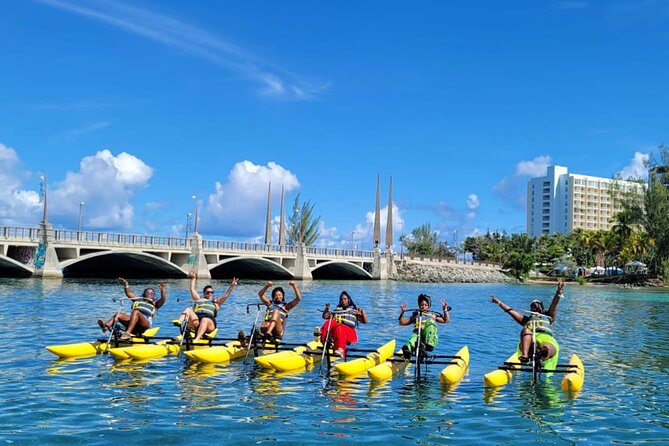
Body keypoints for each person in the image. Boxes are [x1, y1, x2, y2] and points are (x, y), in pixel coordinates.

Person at [490, 279, 564, 367]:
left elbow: (554, 303)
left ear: (542, 308)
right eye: (533, 305)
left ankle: (545, 354)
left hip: (546, 338)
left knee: (546, 346)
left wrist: (559, 291)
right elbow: (510, 311)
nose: (535, 305)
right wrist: (498, 302)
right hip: (530, 343)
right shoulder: (526, 320)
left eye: (537, 304)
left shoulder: (549, 316)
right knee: (526, 330)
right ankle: (525, 355)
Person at [172, 271, 238, 342]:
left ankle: (196, 339)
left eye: (211, 292)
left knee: (204, 319)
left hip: (209, 324)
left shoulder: (215, 301)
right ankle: (179, 321)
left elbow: (226, 295)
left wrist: (232, 286)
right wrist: (193, 278)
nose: (210, 294)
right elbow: (192, 289)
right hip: (197, 322)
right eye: (208, 292)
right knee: (188, 309)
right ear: (204, 293)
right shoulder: (199, 299)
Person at [98, 278, 167, 340]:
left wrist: (162, 290)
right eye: (147, 292)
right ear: (144, 294)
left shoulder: (155, 303)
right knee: (118, 314)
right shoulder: (138, 299)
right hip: (133, 323)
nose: (150, 294)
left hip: (144, 325)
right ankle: (106, 326)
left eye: (152, 293)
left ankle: (127, 333)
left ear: (153, 295)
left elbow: (163, 299)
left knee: (136, 311)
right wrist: (126, 285)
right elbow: (129, 293)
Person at [398, 294, 450, 360]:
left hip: (428, 341)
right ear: (419, 306)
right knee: (414, 337)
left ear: (428, 306)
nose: (423, 307)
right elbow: (402, 323)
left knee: (430, 322)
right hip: (417, 338)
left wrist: (445, 310)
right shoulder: (415, 315)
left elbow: (446, 320)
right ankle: (407, 349)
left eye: (426, 305)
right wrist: (402, 313)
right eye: (422, 305)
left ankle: (426, 345)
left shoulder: (433, 315)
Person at [320, 291, 368, 358]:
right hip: (338, 332)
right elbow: (325, 317)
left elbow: (365, 321)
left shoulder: (353, 311)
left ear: (348, 300)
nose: (343, 301)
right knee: (331, 321)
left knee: (339, 326)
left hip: (350, 334)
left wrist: (362, 311)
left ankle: (341, 349)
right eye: (342, 299)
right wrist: (327, 308)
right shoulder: (337, 310)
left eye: (345, 299)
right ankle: (323, 337)